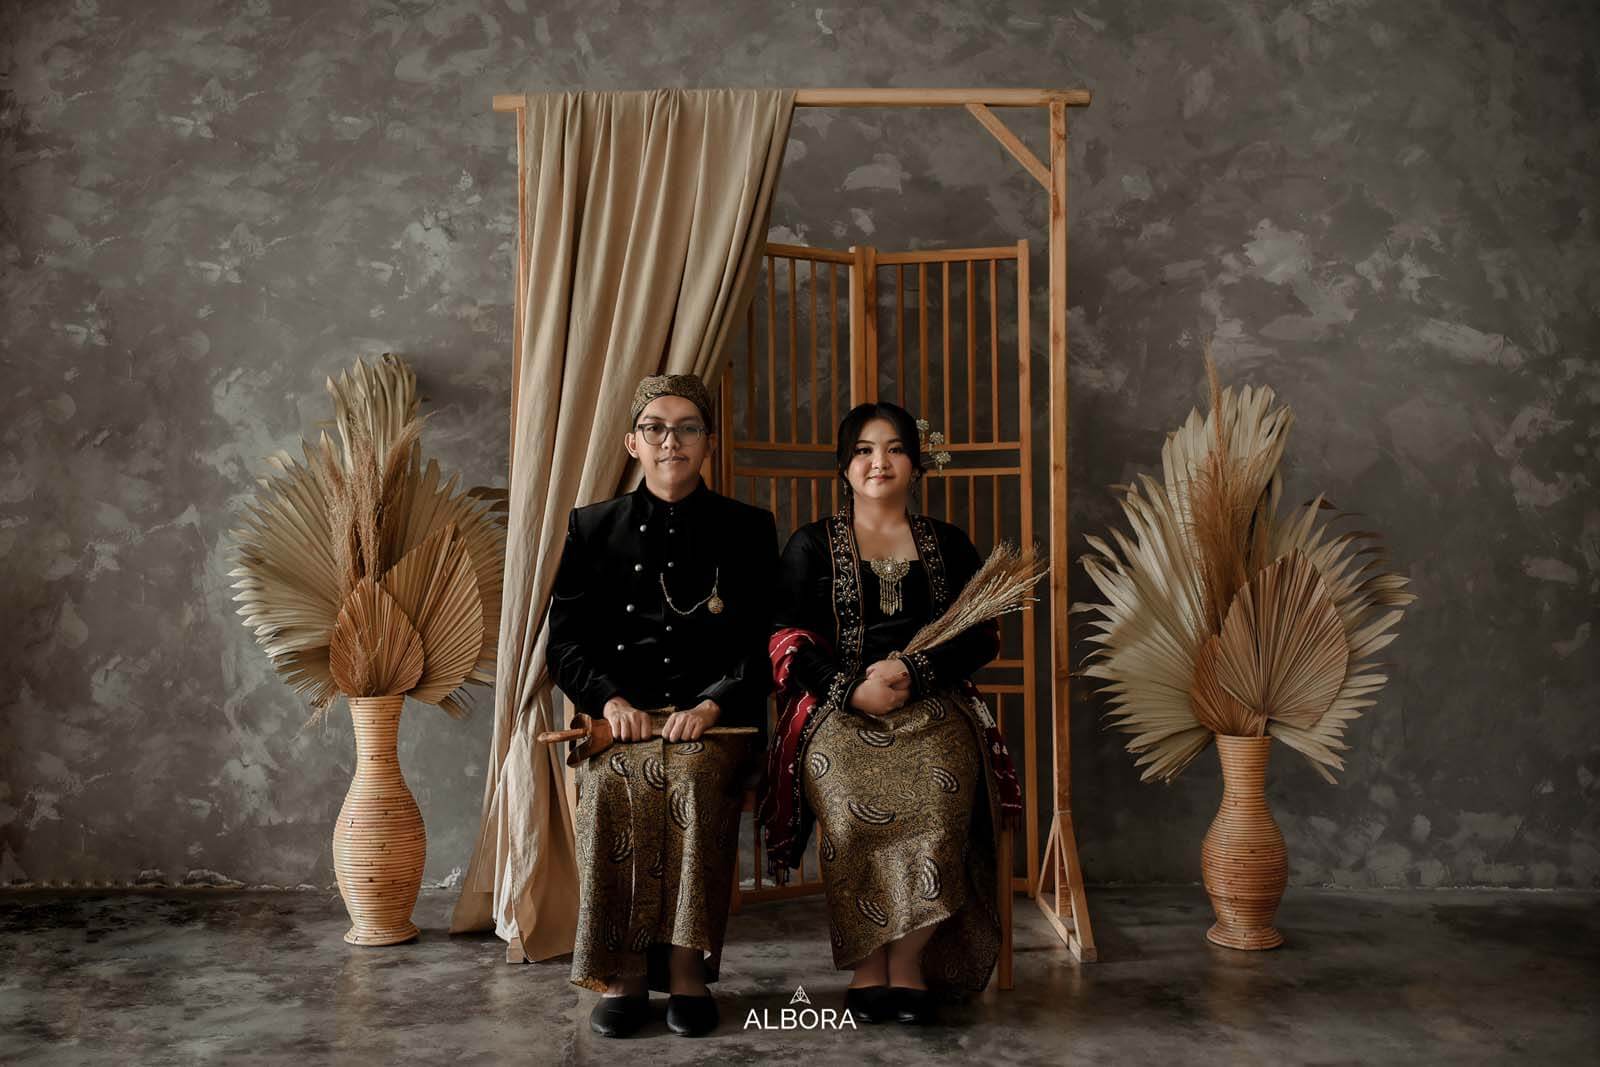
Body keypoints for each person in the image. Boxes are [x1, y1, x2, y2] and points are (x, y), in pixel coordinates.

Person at [759, 401, 1022, 1026]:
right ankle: (866, 965)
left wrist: (913, 671)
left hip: (934, 708)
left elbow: (982, 635)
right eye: (864, 450)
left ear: (916, 464)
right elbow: (783, 638)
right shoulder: (810, 545)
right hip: (838, 713)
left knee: (942, 800)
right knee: (849, 808)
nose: (880, 462)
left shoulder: (948, 544)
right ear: (844, 466)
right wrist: (848, 690)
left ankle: (907, 964)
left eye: (896, 449)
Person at [548, 373, 778, 1038]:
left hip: (716, 722)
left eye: (686, 429)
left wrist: (711, 705)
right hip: (621, 722)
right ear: (633, 443)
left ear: (708, 443)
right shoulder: (592, 526)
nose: (670, 441)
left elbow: (767, 642)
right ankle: (620, 972)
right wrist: (609, 699)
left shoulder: (748, 528)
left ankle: (685, 968)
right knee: (614, 781)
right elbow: (563, 643)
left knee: (695, 779)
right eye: (655, 428)